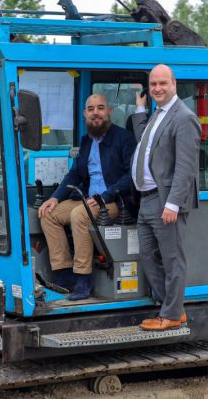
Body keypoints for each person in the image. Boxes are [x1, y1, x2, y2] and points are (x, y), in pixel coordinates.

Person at [38, 94, 136, 300]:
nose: (96, 113)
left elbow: (132, 175)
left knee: (79, 215)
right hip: (87, 198)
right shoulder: (86, 141)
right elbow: (74, 174)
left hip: (114, 202)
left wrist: (107, 195)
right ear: (85, 114)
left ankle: (83, 279)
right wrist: (55, 197)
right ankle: (65, 274)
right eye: (91, 109)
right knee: (49, 214)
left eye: (100, 108)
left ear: (109, 111)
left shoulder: (123, 138)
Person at [131, 64, 201, 331]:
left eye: (163, 83)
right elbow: (146, 144)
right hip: (146, 199)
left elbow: (186, 166)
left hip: (164, 201)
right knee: (148, 256)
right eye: (153, 85)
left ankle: (171, 315)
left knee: (173, 260)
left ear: (174, 85)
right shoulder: (158, 114)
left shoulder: (183, 117)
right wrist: (139, 110)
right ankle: (172, 309)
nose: (157, 89)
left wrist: (172, 203)